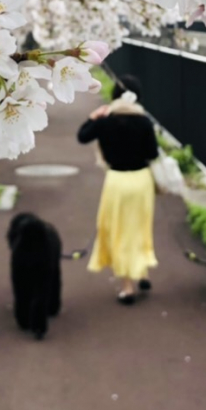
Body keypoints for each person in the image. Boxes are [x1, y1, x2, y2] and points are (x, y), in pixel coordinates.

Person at [77, 74, 159, 305]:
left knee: (120, 232)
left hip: (117, 181)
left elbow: (82, 136)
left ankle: (127, 287)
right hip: (141, 181)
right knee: (140, 228)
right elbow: (152, 153)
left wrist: (93, 117)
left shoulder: (105, 120)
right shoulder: (144, 122)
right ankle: (142, 272)